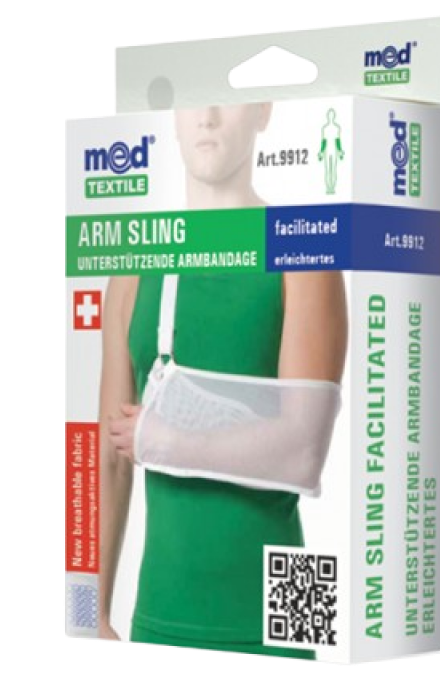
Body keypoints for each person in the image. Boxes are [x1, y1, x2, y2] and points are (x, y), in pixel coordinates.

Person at [99, 103, 348, 658]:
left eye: (227, 100)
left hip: (288, 608)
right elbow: (108, 457)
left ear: (263, 112)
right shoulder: (136, 264)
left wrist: (165, 439)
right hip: (161, 608)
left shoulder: (305, 251)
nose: (207, 116)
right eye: (192, 101)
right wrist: (88, 611)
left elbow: (303, 452)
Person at [318, 109, 345, 195]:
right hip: (327, 150)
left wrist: (340, 151)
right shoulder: (324, 128)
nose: (331, 117)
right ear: (327, 116)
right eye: (329, 115)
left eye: (332, 115)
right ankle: (328, 187)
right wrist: (321, 152)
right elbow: (323, 141)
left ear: (334, 116)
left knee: (333, 169)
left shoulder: (337, 128)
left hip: (334, 150)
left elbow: (338, 141)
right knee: (327, 169)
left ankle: (332, 187)